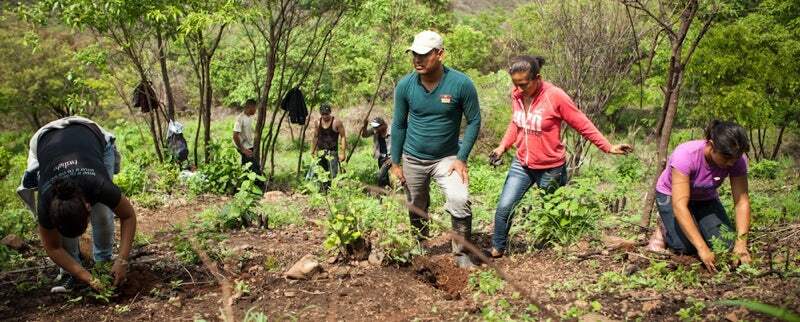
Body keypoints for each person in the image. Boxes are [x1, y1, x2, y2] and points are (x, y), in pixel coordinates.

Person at [486, 55, 633, 258]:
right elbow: (516, 123)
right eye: (515, 84)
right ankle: (497, 248)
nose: (519, 89)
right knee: (504, 207)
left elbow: (581, 123)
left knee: (554, 211)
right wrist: (502, 147)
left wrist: (607, 147)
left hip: (550, 167)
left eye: (524, 84)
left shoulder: (555, 96)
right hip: (522, 163)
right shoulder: (517, 95)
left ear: (538, 77)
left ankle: (560, 249)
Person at [391, 30, 482, 267]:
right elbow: (399, 124)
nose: (417, 60)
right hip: (413, 157)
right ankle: (420, 247)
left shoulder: (461, 84)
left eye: (424, 54)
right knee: (416, 204)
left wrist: (462, 159)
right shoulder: (406, 86)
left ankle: (461, 254)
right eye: (414, 54)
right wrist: (395, 162)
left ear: (439, 54)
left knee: (459, 198)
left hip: (447, 158)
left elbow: (474, 120)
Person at [16, 116, 137, 293]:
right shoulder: (46, 201)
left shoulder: (98, 185)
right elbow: (53, 247)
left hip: (91, 135)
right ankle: (69, 273)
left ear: (88, 207)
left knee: (102, 214)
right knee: (69, 233)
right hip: (45, 142)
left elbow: (128, 215)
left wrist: (122, 260)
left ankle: (103, 263)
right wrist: (85, 276)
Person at [647, 120, 752, 272]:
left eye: (735, 159)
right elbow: (680, 206)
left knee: (726, 244)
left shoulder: (737, 160)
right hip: (672, 197)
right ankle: (664, 228)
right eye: (726, 158)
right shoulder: (686, 155)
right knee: (685, 246)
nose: (731, 163)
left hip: (705, 198)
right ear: (711, 145)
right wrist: (702, 248)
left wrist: (741, 244)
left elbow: (742, 202)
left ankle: (696, 221)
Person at [310, 103, 346, 191]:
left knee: (333, 174)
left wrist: (343, 153)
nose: (325, 116)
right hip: (321, 151)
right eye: (323, 114)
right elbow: (315, 136)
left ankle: (332, 191)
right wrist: (313, 150)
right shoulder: (318, 122)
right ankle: (323, 191)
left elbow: (343, 136)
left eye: (326, 114)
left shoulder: (336, 122)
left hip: (332, 151)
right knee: (321, 172)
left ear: (330, 113)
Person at [233, 99, 265, 191]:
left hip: (249, 147)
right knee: (254, 169)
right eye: (254, 108)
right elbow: (235, 135)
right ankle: (256, 189)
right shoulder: (240, 118)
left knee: (252, 168)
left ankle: (251, 189)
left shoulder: (250, 118)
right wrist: (243, 149)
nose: (255, 110)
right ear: (249, 107)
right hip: (243, 148)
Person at [360, 116, 392, 187]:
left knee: (380, 175)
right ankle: (386, 193)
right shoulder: (375, 130)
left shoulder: (393, 131)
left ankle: (381, 193)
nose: (375, 129)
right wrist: (365, 125)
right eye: (374, 127)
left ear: (383, 125)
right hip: (381, 157)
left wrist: (394, 157)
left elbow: (401, 144)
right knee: (384, 178)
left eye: (377, 127)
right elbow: (364, 135)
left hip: (390, 157)